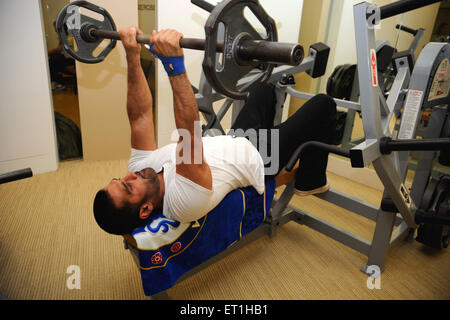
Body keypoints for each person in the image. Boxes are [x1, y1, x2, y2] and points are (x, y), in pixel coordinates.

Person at [93, 27, 337, 235]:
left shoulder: (139, 171)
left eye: (120, 179)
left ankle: (283, 135)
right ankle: (311, 179)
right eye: (127, 187)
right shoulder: (182, 203)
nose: (129, 175)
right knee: (324, 104)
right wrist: (173, 64)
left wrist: (132, 54)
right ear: (145, 209)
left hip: (236, 138)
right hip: (259, 158)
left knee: (265, 88)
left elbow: (140, 116)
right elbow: (189, 133)